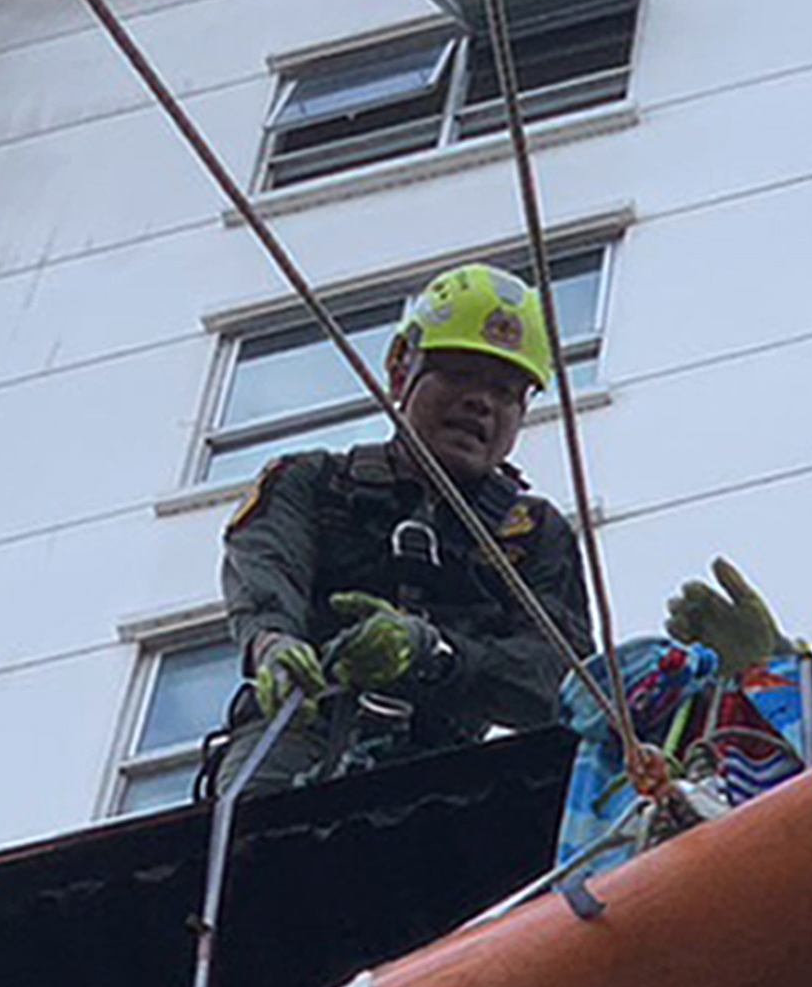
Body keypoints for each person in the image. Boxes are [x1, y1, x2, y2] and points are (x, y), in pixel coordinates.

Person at [218, 264, 595, 786]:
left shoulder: (531, 535)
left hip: (444, 772)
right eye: (460, 373)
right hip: (298, 741)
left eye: (506, 391)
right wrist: (275, 648)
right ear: (400, 373)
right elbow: (266, 579)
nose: (481, 401)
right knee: (251, 831)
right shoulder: (312, 485)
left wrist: (436, 655)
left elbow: (562, 683)